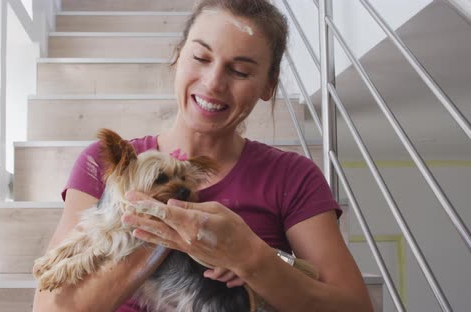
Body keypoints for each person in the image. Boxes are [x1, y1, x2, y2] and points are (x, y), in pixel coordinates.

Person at [33, 0, 373, 311]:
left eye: (239, 71)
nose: (213, 83)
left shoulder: (292, 177)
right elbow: (51, 307)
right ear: (178, 56)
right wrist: (158, 237)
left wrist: (252, 259)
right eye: (200, 57)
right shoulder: (104, 164)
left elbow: (355, 307)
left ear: (269, 85)